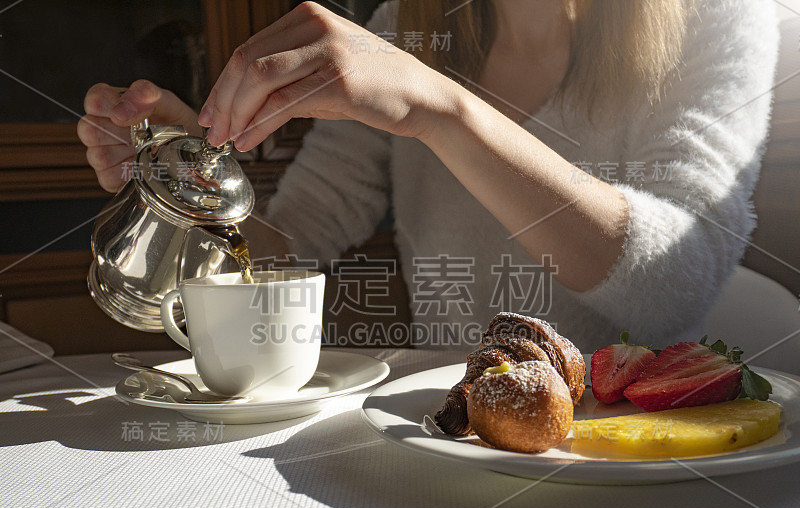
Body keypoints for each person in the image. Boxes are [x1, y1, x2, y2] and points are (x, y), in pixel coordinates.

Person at [78, 0, 779, 351]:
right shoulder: (402, 28)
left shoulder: (717, 16)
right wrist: (186, 184)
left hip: (649, 461)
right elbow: (292, 243)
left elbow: (676, 285)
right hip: (448, 441)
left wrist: (440, 109)